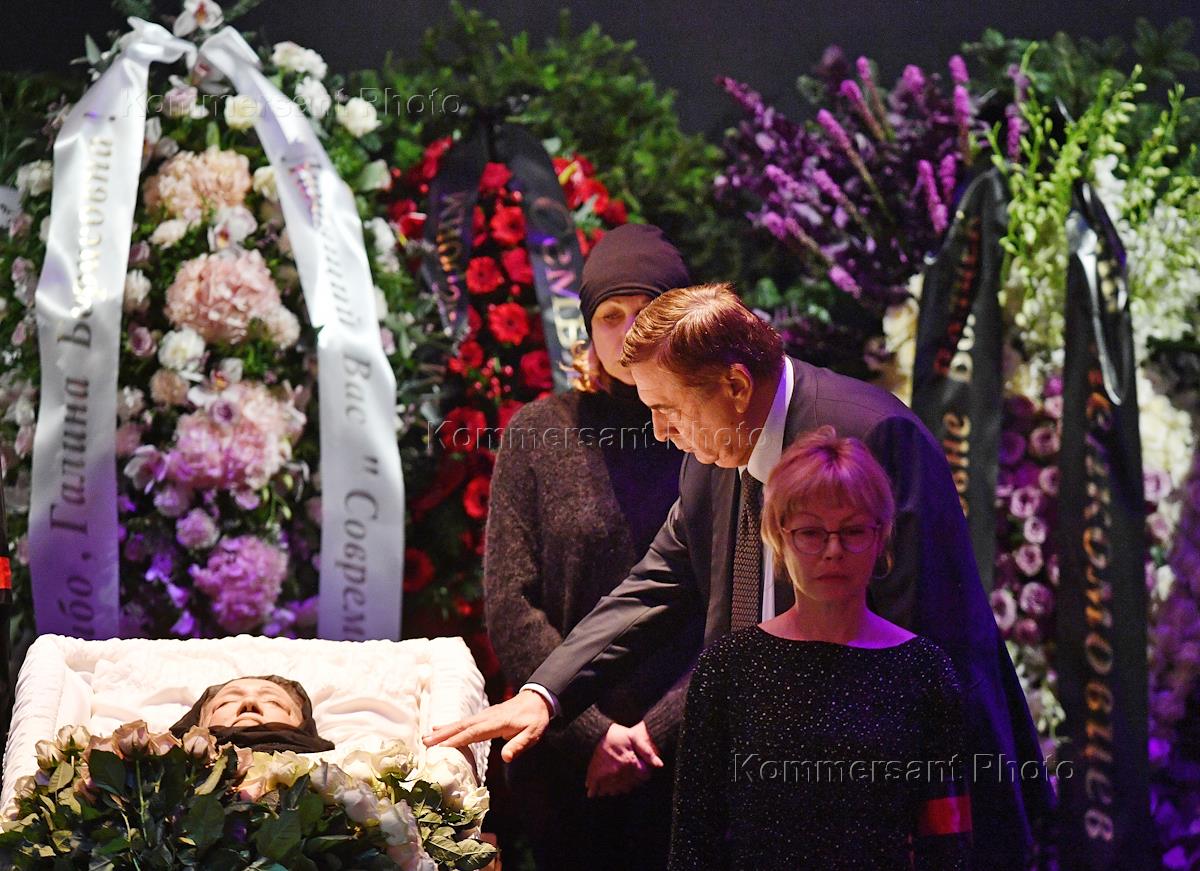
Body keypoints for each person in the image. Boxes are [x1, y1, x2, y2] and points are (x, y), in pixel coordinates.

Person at [429, 283, 1049, 869]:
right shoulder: (716, 446)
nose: (660, 431)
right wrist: (545, 693)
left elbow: (931, 635)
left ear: (734, 383)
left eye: (667, 408)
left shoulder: (871, 436)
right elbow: (657, 583)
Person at [484, 223, 699, 870]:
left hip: (690, 755)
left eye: (647, 311)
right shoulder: (539, 433)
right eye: (611, 315)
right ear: (587, 327)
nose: (629, 332)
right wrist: (590, 734)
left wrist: (657, 732)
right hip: (564, 763)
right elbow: (511, 603)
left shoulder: (711, 433)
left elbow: (735, 606)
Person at [669, 427, 971, 870]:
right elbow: (694, 837)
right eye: (811, 532)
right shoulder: (729, 666)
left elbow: (947, 838)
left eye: (853, 531)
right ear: (778, 536)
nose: (833, 551)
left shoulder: (923, 669)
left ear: (881, 536)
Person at [170, 674, 335, 753]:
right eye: (226, 702)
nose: (249, 702)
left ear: (302, 723)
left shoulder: (334, 778)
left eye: (273, 701)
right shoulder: (165, 778)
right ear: (201, 723)